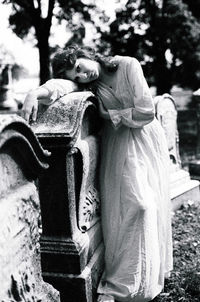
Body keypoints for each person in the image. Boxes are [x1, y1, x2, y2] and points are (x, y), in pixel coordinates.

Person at [22, 45, 173, 302]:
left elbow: (146, 111)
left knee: (145, 205)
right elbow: (60, 86)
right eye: (76, 76)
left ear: (86, 54)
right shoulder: (84, 86)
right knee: (124, 209)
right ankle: (124, 278)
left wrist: (111, 115)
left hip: (144, 141)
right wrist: (34, 93)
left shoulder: (127, 65)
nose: (82, 76)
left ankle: (145, 276)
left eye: (79, 67)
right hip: (117, 146)